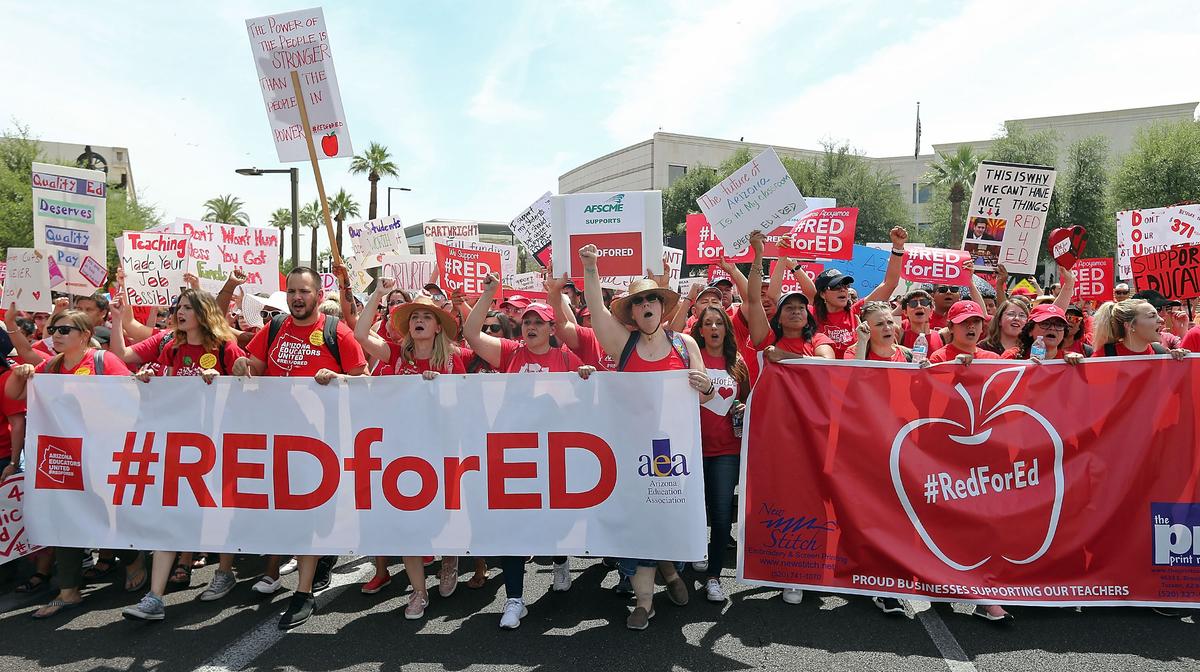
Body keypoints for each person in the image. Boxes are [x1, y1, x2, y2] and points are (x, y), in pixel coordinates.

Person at [576, 243, 710, 631]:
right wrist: (590, 265)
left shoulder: (685, 345)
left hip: (674, 456)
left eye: (653, 298)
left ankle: (670, 571)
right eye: (639, 301)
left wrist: (704, 386)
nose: (647, 305)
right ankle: (644, 603)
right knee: (638, 523)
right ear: (632, 312)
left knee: (666, 518)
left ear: (661, 307)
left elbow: (704, 394)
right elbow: (597, 312)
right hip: (632, 453)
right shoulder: (624, 343)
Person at [231, 267, 369, 630]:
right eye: (291, 290)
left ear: (319, 295)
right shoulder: (274, 327)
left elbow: (364, 379)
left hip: (318, 443)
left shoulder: (335, 332)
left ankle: (303, 591)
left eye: (304, 291)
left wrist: (337, 378)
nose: (296, 297)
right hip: (275, 439)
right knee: (284, 512)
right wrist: (245, 364)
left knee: (308, 513)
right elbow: (256, 366)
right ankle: (285, 572)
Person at [463, 273, 596, 630]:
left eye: (539, 321)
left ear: (552, 328)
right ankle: (515, 599)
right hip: (516, 454)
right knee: (514, 525)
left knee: (554, 517)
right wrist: (489, 292)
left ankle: (559, 559)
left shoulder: (566, 358)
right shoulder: (509, 352)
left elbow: (585, 398)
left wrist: (585, 376)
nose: (532, 326)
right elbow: (471, 334)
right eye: (527, 321)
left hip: (554, 453)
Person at [121, 288, 247, 622]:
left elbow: (248, 389)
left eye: (188, 307)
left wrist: (223, 381)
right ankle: (155, 598)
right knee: (172, 514)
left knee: (217, 511)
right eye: (179, 307)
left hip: (218, 444)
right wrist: (151, 378)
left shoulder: (225, 347)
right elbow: (169, 389)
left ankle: (224, 572)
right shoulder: (172, 348)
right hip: (180, 444)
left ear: (204, 313)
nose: (180, 312)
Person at [5, 310, 133, 619]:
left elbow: (130, 397)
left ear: (85, 334)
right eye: (53, 329)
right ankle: (69, 590)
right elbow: (13, 394)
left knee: (108, 511)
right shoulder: (50, 365)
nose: (57, 334)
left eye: (65, 329)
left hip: (102, 452)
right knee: (66, 515)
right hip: (64, 455)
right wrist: (19, 374)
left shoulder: (103, 361)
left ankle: (133, 559)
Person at [354, 278, 470, 618]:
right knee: (408, 522)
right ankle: (419, 592)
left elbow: (467, 403)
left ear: (437, 327)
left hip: (443, 452)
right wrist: (377, 293)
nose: (419, 320)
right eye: (414, 315)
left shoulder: (454, 359)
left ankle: (450, 560)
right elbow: (362, 335)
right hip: (403, 453)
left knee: (447, 516)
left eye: (427, 316)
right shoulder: (394, 356)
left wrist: (441, 390)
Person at [688, 305, 749, 603]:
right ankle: (693, 551)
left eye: (719, 323)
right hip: (691, 448)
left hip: (727, 450)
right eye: (707, 323)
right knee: (692, 508)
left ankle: (713, 575)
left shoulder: (737, 363)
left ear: (726, 329)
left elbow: (747, 399)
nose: (713, 328)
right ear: (700, 330)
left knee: (723, 513)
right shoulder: (689, 360)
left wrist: (743, 408)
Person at [793, 227, 908, 357]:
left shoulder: (856, 312)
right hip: (822, 375)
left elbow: (890, 284)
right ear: (823, 294)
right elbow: (808, 293)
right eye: (835, 286)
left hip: (855, 374)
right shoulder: (812, 314)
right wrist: (792, 266)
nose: (843, 289)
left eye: (846, 285)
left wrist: (898, 248)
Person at [1090, 299, 1189, 360]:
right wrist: (1075, 363)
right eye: (1152, 316)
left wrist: (1179, 360)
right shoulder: (1105, 355)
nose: (1162, 320)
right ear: (1130, 325)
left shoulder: (1160, 353)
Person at [1004, 304, 1085, 364]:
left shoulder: (1071, 359)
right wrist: (1024, 368)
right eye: (1045, 324)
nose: (1052, 328)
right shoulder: (1012, 357)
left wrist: (1078, 364)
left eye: (1059, 325)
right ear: (1030, 331)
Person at [927, 302, 1002, 365]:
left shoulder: (993, 359)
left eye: (976, 321)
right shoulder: (939, 358)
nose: (971, 326)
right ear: (950, 327)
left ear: (982, 327)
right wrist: (955, 365)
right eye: (964, 321)